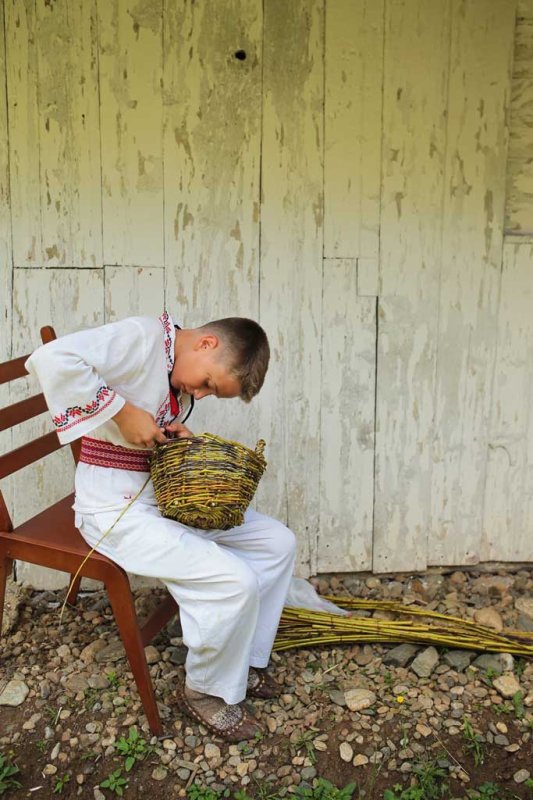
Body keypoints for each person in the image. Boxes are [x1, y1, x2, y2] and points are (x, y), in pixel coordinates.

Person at [25, 311, 296, 741]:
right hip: (114, 509)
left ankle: (242, 663)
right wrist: (122, 411)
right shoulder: (143, 337)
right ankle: (204, 692)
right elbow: (51, 358)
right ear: (206, 344)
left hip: (160, 497)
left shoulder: (175, 364)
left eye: (210, 393)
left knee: (278, 542)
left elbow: (145, 417)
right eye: (208, 383)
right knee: (234, 580)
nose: (201, 394)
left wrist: (168, 435)